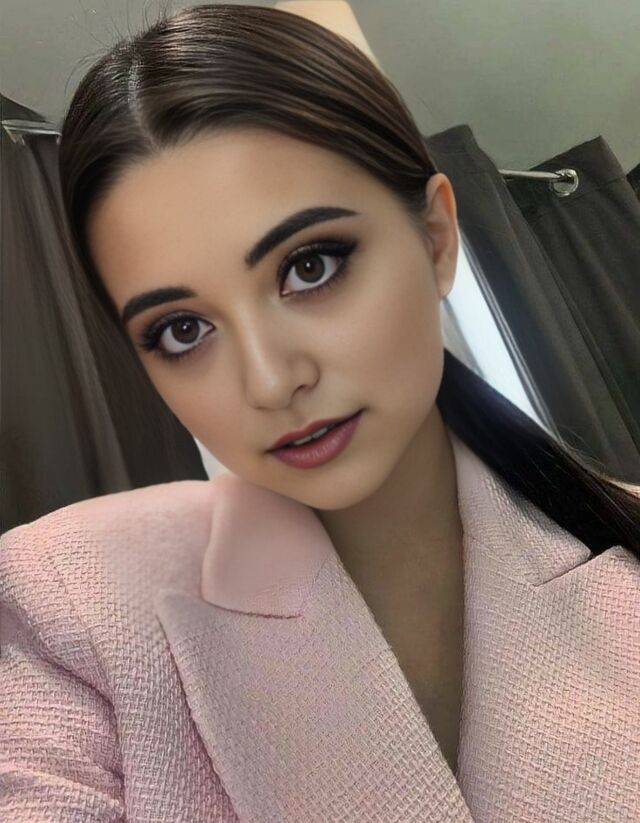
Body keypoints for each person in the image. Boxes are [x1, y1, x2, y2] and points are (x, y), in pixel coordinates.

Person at [1, 4, 638, 821]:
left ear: (436, 237)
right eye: (182, 329)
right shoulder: (71, 602)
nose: (270, 381)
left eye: (309, 266)